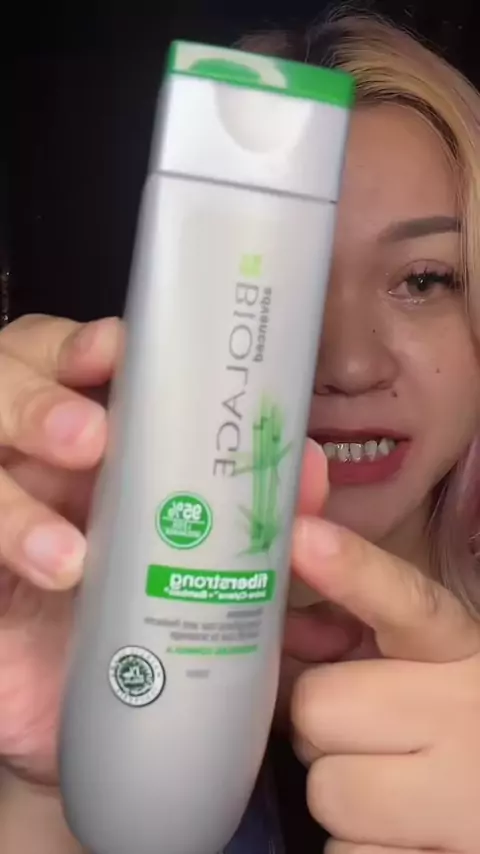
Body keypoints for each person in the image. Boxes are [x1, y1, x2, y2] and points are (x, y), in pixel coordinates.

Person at [3, 8, 480, 853]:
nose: (349, 364)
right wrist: (48, 796)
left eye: (423, 280)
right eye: (291, 280)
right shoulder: (56, 625)